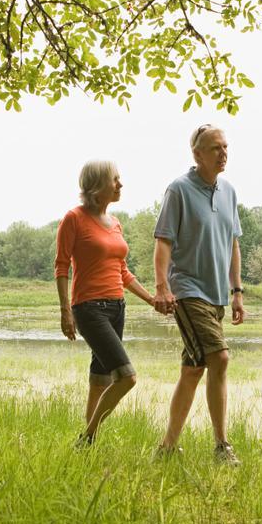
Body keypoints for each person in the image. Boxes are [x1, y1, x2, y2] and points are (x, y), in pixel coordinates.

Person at [152, 124, 246, 465]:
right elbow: (163, 241)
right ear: (197, 155)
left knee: (193, 370)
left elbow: (233, 243)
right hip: (188, 289)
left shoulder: (229, 192)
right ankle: (222, 446)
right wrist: (162, 286)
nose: (223, 153)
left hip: (217, 293)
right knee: (219, 358)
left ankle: (166, 449)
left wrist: (236, 291)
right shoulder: (178, 190)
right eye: (215, 148)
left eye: (225, 147)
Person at [55, 160, 157, 445]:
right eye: (115, 179)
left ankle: (88, 446)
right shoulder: (73, 219)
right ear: (97, 186)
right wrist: (66, 312)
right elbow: (61, 267)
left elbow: (122, 272)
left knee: (100, 379)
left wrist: (151, 299)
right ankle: (86, 438)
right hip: (88, 308)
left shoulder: (116, 223)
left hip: (117, 308)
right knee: (126, 377)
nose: (121, 184)